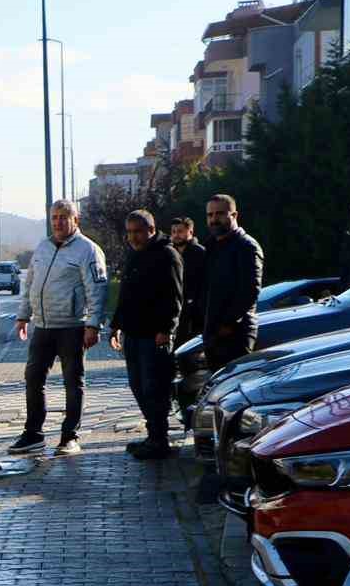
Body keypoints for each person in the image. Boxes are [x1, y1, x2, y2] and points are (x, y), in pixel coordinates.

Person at [9, 199, 109, 456]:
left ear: (76, 220)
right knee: (33, 378)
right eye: (54, 217)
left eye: (64, 217)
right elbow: (30, 285)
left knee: (73, 382)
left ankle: (70, 437)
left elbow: (97, 291)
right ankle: (33, 434)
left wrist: (93, 325)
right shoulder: (43, 247)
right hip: (43, 326)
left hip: (72, 327)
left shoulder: (88, 250)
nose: (58, 222)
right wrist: (23, 316)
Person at [110, 210, 184, 459]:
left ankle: (159, 440)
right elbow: (125, 294)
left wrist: (166, 329)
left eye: (138, 232)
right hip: (132, 333)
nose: (133, 237)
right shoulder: (134, 254)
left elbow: (174, 297)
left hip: (154, 336)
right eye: (129, 232)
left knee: (154, 389)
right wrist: (115, 326)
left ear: (151, 230)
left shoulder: (167, 255)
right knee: (138, 387)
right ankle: (153, 435)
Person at [200, 193, 263, 372]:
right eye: (210, 215)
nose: (214, 219)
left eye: (219, 214)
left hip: (236, 334)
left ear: (234, 215)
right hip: (212, 333)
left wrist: (228, 323)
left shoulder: (246, 246)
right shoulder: (210, 247)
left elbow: (250, 290)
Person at [169, 216, 206, 347]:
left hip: (194, 314)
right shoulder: (169, 253)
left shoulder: (200, 253)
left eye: (180, 231)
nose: (176, 235)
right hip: (174, 312)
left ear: (190, 232)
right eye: (173, 232)